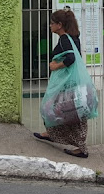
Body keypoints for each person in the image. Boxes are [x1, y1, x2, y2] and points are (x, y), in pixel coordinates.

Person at [34, 9, 90, 158]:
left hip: (68, 84)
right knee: (61, 110)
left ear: (59, 25)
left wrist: (54, 66)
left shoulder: (65, 39)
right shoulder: (73, 37)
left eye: (52, 23)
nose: (50, 26)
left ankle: (82, 148)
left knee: (64, 112)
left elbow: (71, 59)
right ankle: (52, 133)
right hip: (69, 83)